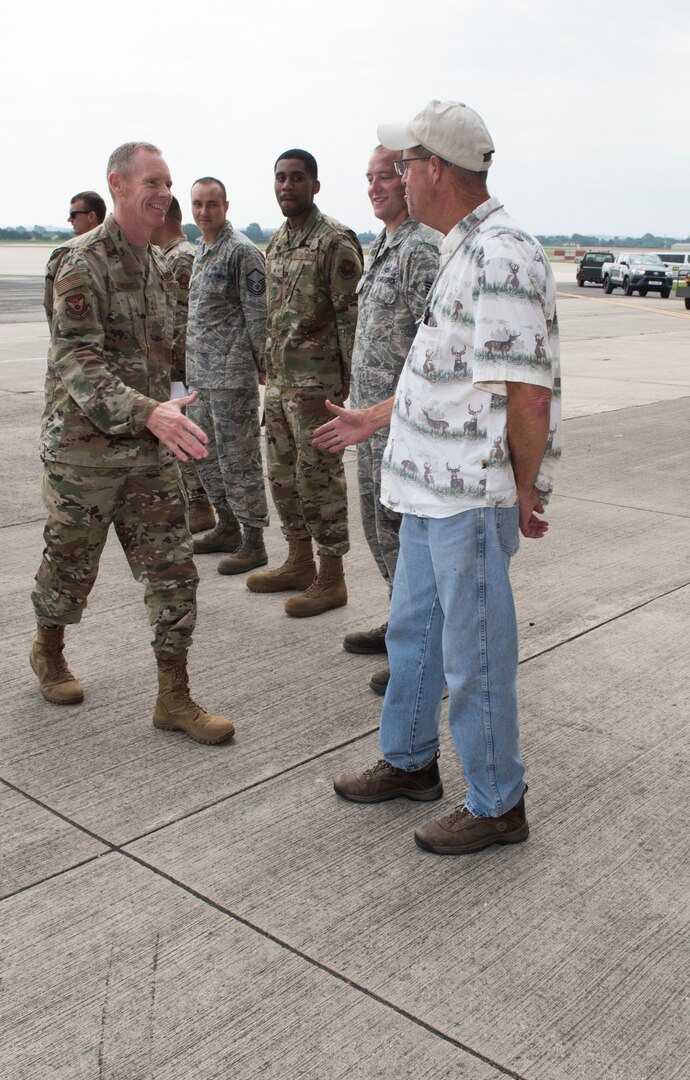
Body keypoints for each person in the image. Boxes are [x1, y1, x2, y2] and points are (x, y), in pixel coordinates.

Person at [314, 100, 562, 854]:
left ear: (434, 171)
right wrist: (377, 416)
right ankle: (410, 762)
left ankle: (497, 803)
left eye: (404, 161)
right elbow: (450, 374)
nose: (393, 171)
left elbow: (526, 393)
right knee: (414, 634)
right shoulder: (462, 245)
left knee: (475, 653)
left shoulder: (504, 254)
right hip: (425, 487)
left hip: (469, 495)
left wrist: (524, 489)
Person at [31, 141, 234, 745]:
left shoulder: (160, 266)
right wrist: (151, 412)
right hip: (83, 452)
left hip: (148, 450)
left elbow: (164, 354)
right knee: (70, 567)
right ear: (117, 186)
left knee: (173, 573)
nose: (164, 194)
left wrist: (177, 405)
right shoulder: (79, 262)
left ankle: (174, 696)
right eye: (152, 182)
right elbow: (79, 357)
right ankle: (48, 651)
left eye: (167, 183)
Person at [246, 149, 363, 617]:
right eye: (280, 178)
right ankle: (298, 561)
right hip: (279, 386)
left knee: (320, 480)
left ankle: (331, 576)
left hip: (317, 389)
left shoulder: (334, 242)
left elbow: (351, 318)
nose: (287, 186)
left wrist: (350, 383)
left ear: (315, 186)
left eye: (297, 178)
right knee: (282, 476)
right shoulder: (276, 243)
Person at [342, 146, 440, 694]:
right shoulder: (382, 245)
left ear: (407, 181)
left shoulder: (421, 249)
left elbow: (438, 348)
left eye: (386, 177)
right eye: (370, 178)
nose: (376, 187)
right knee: (379, 531)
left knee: (403, 536)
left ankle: (424, 650)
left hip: (403, 425)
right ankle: (400, 623)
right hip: (371, 424)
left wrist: (386, 413)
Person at [185, 176, 270, 576]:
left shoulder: (241, 252)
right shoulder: (201, 250)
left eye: (212, 204)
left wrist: (264, 366)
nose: (204, 212)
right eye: (198, 204)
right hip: (201, 379)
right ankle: (226, 524)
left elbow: (258, 315)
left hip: (232, 378)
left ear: (226, 206)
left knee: (240, 462)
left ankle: (254, 541)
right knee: (204, 456)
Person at [151, 196, 215, 536]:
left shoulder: (181, 258)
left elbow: (189, 320)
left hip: (185, 370)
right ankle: (195, 504)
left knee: (188, 439)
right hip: (175, 369)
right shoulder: (166, 257)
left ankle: (201, 506)